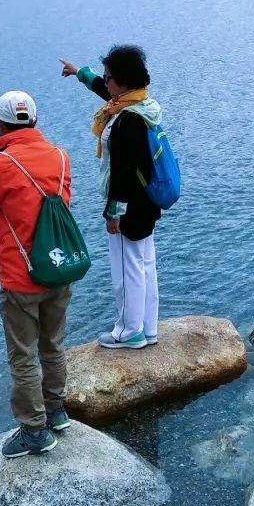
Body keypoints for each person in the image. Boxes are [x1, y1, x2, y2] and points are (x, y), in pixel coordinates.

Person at [0, 90, 74, 457]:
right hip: (58, 266)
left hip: (21, 274)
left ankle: (34, 430)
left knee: (22, 356)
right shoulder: (60, 156)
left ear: (0, 123)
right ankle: (56, 411)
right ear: (35, 121)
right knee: (53, 344)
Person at [59, 45, 161, 349]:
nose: (105, 82)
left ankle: (129, 332)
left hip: (130, 206)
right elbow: (106, 93)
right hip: (146, 201)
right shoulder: (141, 104)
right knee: (144, 264)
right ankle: (148, 328)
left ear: (123, 81)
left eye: (108, 77)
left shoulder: (128, 120)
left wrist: (114, 212)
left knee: (126, 270)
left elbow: (124, 171)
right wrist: (80, 73)